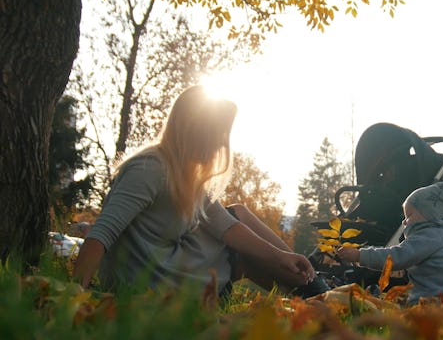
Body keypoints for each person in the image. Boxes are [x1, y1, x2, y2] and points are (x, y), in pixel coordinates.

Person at [73, 85, 322, 297]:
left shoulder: (184, 173)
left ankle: (318, 295)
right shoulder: (150, 169)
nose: (219, 146)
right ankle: (322, 297)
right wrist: (74, 298)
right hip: (148, 284)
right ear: (195, 131)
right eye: (216, 136)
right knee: (240, 250)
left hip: (167, 272)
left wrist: (281, 256)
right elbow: (102, 234)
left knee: (238, 215)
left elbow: (226, 225)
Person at [337, 181, 443, 305]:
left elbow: (395, 258)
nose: (404, 222)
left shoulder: (427, 236)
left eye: (409, 216)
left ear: (430, 215)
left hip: (435, 301)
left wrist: (360, 255)